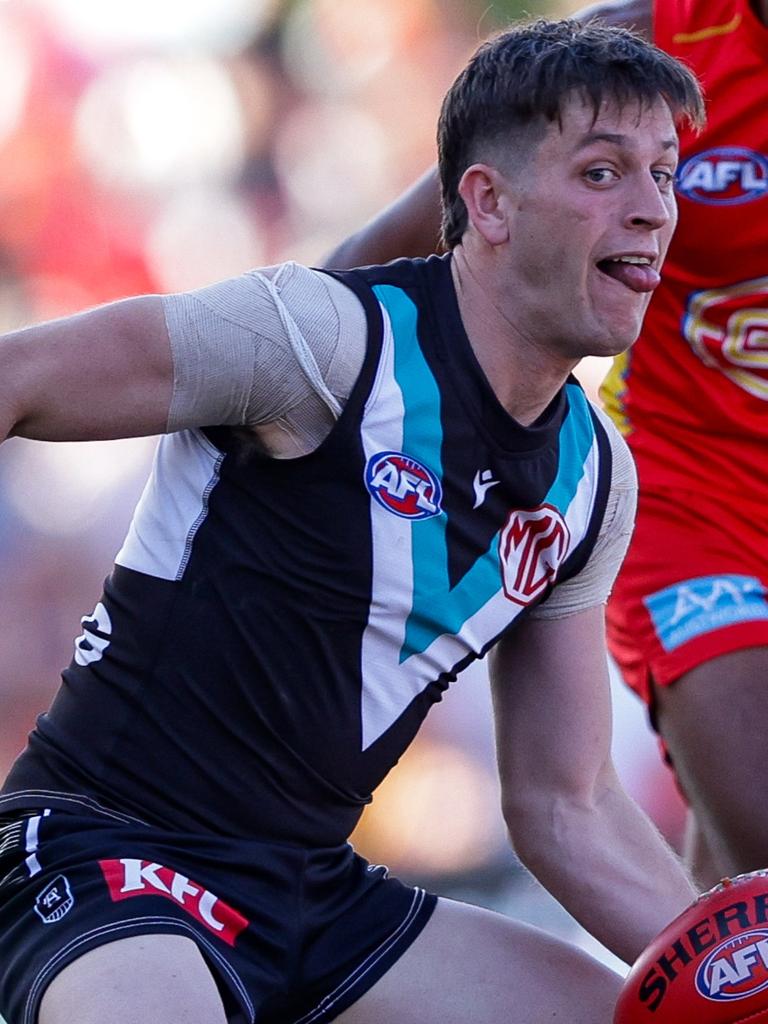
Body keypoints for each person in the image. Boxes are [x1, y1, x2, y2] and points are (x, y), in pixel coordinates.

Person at [0, 19, 704, 1024]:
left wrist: (730, 972)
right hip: (104, 845)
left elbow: (568, 805)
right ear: (488, 202)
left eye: (667, 176)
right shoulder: (321, 336)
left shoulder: (595, 475)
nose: (650, 212)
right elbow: (16, 376)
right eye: (603, 174)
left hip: (313, 897)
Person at [326, 0, 768, 891]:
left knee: (736, 902)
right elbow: (403, 241)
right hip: (696, 502)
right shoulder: (652, 45)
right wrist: (279, 366)